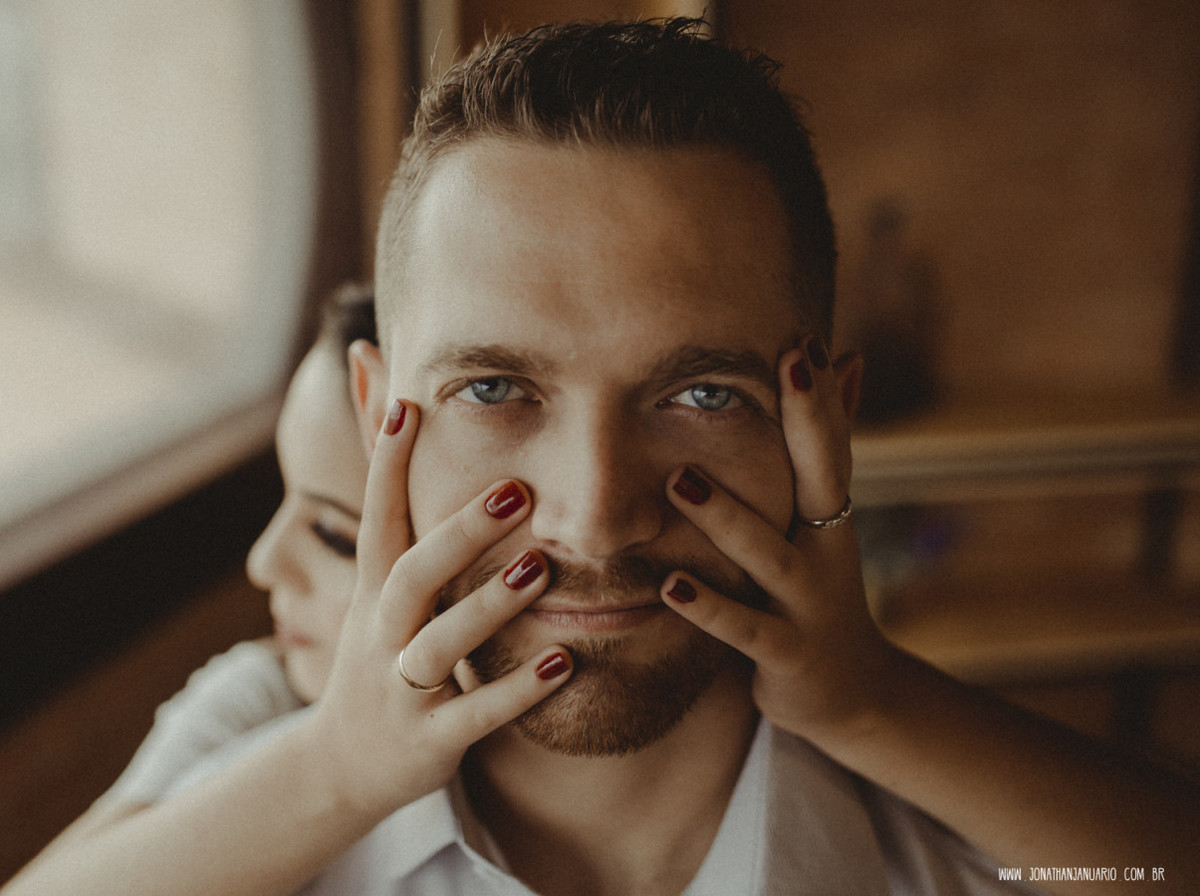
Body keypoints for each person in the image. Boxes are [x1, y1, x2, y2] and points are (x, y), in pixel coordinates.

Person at [6, 19, 1197, 896]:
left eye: (701, 393)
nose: (593, 515)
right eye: (492, 388)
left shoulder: (967, 818)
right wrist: (337, 772)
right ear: (378, 411)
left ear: (824, 423)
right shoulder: (270, 720)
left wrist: (872, 700)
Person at [4, 283, 374, 882]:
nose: (264, 562)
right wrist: (342, 764)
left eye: (335, 535)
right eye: (283, 494)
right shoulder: (259, 697)